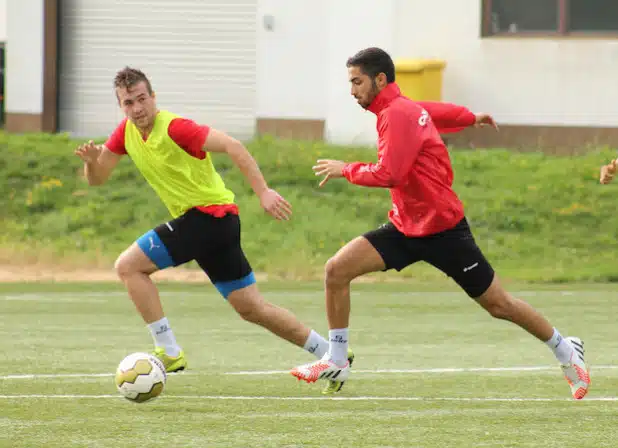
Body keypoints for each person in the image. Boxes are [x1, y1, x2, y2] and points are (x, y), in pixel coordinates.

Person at [290, 47, 590, 400]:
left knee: (499, 305)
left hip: (444, 231)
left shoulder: (397, 113)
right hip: (406, 228)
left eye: (357, 82)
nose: (352, 90)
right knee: (337, 270)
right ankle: (337, 359)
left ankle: (565, 349)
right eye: (350, 82)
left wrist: (347, 169)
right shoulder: (398, 108)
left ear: (380, 79)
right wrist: (469, 117)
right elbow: (433, 112)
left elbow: (391, 174)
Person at [74, 67, 347, 394]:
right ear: (121, 106)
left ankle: (170, 352)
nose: (137, 108)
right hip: (215, 226)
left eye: (142, 99)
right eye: (128, 103)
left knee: (128, 266)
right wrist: (92, 162)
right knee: (252, 309)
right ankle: (332, 357)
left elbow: (234, 146)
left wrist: (263, 192)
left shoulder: (176, 128)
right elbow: (98, 178)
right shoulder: (125, 133)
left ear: (154, 97)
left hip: (207, 218)